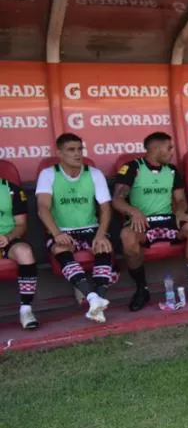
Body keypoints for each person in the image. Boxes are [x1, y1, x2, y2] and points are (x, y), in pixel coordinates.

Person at [112, 132, 188, 311]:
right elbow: (117, 200)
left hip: (168, 221)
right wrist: (133, 212)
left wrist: (181, 212)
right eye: (169, 147)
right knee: (127, 236)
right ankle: (142, 290)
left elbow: (180, 200)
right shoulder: (132, 168)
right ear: (154, 148)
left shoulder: (172, 170)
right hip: (143, 223)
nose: (172, 151)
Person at [35, 133, 112, 323]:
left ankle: (97, 301)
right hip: (63, 230)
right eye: (71, 150)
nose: (78, 154)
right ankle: (93, 297)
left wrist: (101, 234)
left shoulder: (94, 173)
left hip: (90, 227)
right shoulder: (48, 174)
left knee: (103, 246)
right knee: (61, 248)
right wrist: (57, 233)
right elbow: (42, 208)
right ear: (59, 153)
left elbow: (105, 208)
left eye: (80, 149)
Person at [1, 175, 39, 329]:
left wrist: (8, 237)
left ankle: (26, 309)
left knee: (25, 251)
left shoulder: (11, 189)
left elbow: (21, 225)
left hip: (6, 240)